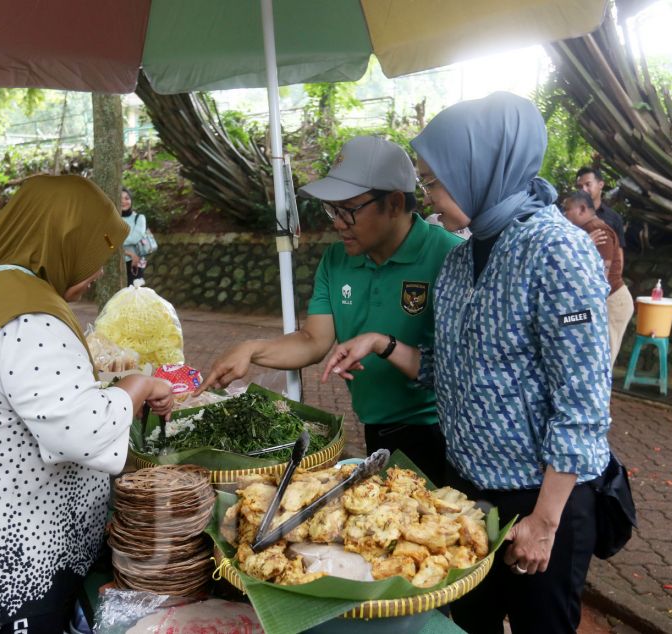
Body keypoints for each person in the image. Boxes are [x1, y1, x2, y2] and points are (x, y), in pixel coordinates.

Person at [324, 94, 611, 633]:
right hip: (467, 495)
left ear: (482, 170)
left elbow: (583, 406)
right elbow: (446, 370)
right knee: (469, 624)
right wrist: (381, 342)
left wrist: (544, 522)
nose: (426, 195)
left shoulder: (557, 251)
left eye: (434, 181)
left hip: (538, 497)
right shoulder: (461, 257)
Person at [0, 175, 176, 633]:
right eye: (93, 254)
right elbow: (79, 433)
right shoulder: (30, 318)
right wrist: (138, 386)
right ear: (60, 241)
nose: (99, 271)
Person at [198, 136, 463, 484]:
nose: (338, 222)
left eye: (348, 209)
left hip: (440, 432)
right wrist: (251, 349)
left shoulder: (449, 257)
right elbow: (313, 340)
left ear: (395, 203)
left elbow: (464, 370)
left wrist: (384, 343)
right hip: (377, 429)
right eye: (331, 209)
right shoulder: (338, 260)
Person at [563, 190, 634, 366]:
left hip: (610, 302)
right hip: (599, 303)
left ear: (581, 209)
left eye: (567, 210)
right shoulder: (584, 232)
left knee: (601, 362)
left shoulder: (596, 229)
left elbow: (602, 275)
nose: (564, 215)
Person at [575, 166, 627, 250]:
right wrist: (584, 242)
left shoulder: (614, 218)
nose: (583, 190)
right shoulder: (569, 216)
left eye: (588, 184)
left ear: (601, 185)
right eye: (580, 187)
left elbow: (618, 253)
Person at [120, 188, 149, 286]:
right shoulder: (112, 219)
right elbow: (107, 241)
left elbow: (134, 238)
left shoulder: (139, 218)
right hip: (116, 262)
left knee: (134, 295)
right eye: (120, 199)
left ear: (131, 200)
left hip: (135, 262)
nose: (123, 201)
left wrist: (114, 241)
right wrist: (128, 253)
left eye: (127, 198)